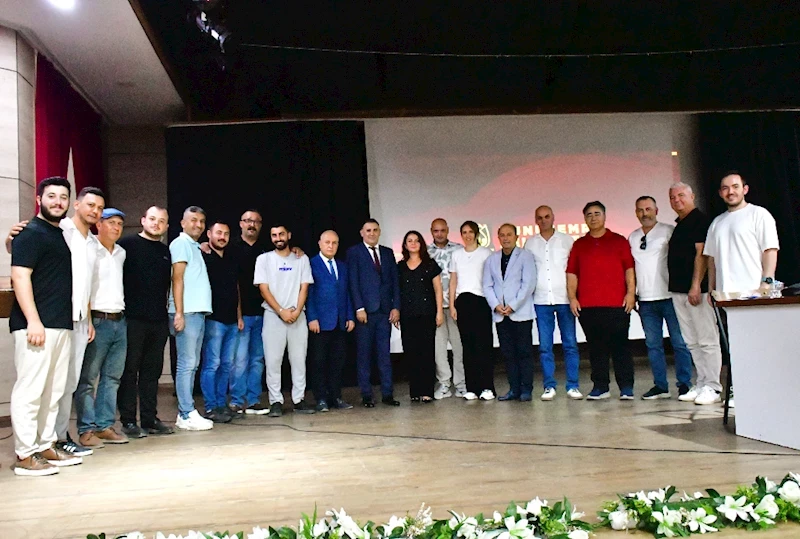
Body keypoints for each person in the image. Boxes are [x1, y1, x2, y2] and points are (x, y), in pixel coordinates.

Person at [6, 186, 105, 455]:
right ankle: (32, 450)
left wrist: (88, 318)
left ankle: (51, 441)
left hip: (73, 320)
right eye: (90, 205)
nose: (94, 211)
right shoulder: (59, 230)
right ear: (78, 205)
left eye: (99, 208)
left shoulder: (92, 242)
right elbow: (22, 265)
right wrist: (10, 239)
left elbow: (83, 282)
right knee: (34, 387)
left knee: (62, 386)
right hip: (43, 320)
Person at [9, 177, 82, 475]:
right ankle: (25, 454)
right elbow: (19, 276)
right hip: (36, 326)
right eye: (51, 196)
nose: (58, 202)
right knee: (30, 391)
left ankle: (45, 444)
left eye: (63, 197)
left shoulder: (58, 234)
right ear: (39, 200)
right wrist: (33, 320)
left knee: (53, 391)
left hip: (60, 324)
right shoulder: (30, 232)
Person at [703, 172, 780, 404]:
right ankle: (739, 389)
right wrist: (711, 289)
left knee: (759, 345)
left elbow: (770, 249)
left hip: (753, 293)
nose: (731, 191)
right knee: (736, 347)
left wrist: (766, 282)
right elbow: (711, 259)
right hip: (727, 296)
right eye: (725, 188)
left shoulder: (759, 214)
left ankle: (763, 390)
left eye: (735, 186)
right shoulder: (717, 223)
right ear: (720, 193)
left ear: (744, 189)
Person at [567, 201, 636, 400]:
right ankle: (600, 387)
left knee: (620, 346)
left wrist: (631, 293)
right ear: (584, 219)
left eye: (597, 213)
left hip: (617, 304)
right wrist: (572, 298)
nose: (593, 218)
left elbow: (629, 269)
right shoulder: (579, 244)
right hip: (588, 305)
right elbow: (572, 273)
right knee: (596, 348)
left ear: (605, 216)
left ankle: (626, 387)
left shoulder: (619, 241)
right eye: (589, 214)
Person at [628, 197, 693, 400]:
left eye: (648, 209)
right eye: (640, 210)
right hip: (645, 300)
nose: (644, 213)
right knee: (653, 345)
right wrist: (633, 293)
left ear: (656, 210)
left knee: (679, 343)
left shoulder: (668, 231)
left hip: (670, 296)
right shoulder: (633, 237)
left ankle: (685, 384)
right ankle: (660, 386)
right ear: (636, 213)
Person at [74, 209, 130, 448]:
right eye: (111, 222)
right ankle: (86, 429)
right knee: (88, 378)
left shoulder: (121, 253)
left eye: (120, 224)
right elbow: (83, 287)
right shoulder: (90, 249)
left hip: (119, 319)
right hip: (97, 320)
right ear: (99, 224)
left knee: (112, 377)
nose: (116, 227)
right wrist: (87, 321)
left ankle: (104, 425)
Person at [117, 206, 175, 437]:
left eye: (161, 221)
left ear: (166, 226)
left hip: (158, 320)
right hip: (132, 319)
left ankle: (150, 419)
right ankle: (129, 421)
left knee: (152, 373)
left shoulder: (165, 252)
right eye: (152, 219)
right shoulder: (126, 245)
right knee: (129, 371)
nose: (156, 224)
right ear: (142, 220)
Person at [667, 183, 724, 405]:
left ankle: (713, 386)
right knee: (691, 341)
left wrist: (695, 285)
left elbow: (702, 255)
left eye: (681, 195)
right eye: (672, 197)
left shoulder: (700, 221)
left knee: (707, 339)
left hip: (696, 291)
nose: (677, 200)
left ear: (692, 196)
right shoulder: (680, 224)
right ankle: (701, 382)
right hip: (678, 290)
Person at [253, 224, 315, 417]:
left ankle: (299, 400)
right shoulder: (264, 259)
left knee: (298, 360)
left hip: (297, 316)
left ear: (288, 235)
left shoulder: (301, 258)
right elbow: (263, 289)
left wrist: (296, 311)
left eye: (281, 234)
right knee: (273, 361)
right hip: (273, 316)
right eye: (274, 235)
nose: (278, 238)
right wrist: (281, 311)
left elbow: (304, 287)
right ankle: (276, 401)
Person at [524, 206, 582, 401]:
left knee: (570, 344)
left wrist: (574, 296)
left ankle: (573, 385)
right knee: (545, 346)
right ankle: (549, 386)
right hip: (541, 300)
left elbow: (574, 270)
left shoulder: (567, 240)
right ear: (535, 220)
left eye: (547, 216)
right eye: (539, 217)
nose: (543, 220)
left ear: (553, 218)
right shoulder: (530, 243)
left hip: (565, 298)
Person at [347, 219, 401, 408]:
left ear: (379, 232)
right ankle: (366, 395)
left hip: (385, 312)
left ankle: (387, 394)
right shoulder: (354, 252)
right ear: (362, 233)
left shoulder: (387, 252)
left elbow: (395, 282)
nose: (372, 233)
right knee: (364, 356)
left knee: (384, 355)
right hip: (365, 313)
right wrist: (359, 308)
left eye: (375, 230)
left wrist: (396, 307)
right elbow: (353, 282)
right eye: (368, 230)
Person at [169, 206, 214, 431]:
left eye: (202, 221)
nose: (198, 224)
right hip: (186, 312)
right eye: (193, 220)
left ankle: (186, 411)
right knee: (186, 364)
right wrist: (179, 312)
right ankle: (185, 413)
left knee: (192, 364)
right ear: (183, 223)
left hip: (196, 312)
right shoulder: (180, 244)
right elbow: (177, 278)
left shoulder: (194, 246)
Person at [483, 223, 537, 401]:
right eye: (502, 235)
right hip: (500, 314)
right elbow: (487, 285)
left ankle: (526, 389)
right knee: (508, 354)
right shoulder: (492, 259)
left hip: (520, 313)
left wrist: (513, 305)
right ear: (498, 237)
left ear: (516, 237)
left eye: (509, 234)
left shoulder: (526, 256)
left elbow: (528, 284)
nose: (506, 238)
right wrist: (496, 305)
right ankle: (514, 389)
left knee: (524, 352)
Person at [306, 230, 355, 412]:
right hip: (320, 322)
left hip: (339, 322)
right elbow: (308, 294)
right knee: (318, 362)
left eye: (334, 243)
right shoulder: (311, 264)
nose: (330, 246)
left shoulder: (342, 266)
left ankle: (336, 397)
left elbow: (347, 293)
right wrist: (312, 317)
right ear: (319, 243)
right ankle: (321, 399)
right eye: (327, 242)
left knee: (337, 362)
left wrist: (349, 316)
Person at [200, 221, 242, 423]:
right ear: (209, 234)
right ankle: (210, 406)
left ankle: (220, 404)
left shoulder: (232, 258)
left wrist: (239, 315)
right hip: (213, 320)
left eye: (226, 233)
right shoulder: (203, 256)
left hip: (232, 320)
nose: (222, 237)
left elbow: (236, 288)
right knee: (212, 364)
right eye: (218, 233)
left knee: (226, 365)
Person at [449, 221, 495, 400]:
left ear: (476, 234)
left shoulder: (486, 253)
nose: (467, 235)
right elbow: (453, 281)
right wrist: (452, 305)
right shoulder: (457, 254)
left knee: (483, 345)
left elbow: (491, 278)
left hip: (481, 301)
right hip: (463, 302)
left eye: (470, 232)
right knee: (468, 347)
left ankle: (487, 387)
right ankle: (472, 388)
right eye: (464, 232)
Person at [398, 231, 444, 403]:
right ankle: (415, 391)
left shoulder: (430, 264)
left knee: (426, 352)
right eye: (409, 241)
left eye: (416, 240)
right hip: (407, 315)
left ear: (421, 244)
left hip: (427, 314)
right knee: (411, 352)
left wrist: (439, 312)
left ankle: (427, 391)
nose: (413, 243)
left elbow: (438, 289)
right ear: (405, 245)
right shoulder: (400, 266)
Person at [427, 218, 465, 399]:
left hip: (456, 306)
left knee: (459, 347)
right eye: (436, 231)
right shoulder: (426, 252)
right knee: (438, 349)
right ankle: (444, 383)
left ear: (448, 230)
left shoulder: (459, 250)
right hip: (436, 308)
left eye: (442, 230)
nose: (439, 234)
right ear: (431, 231)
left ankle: (461, 384)